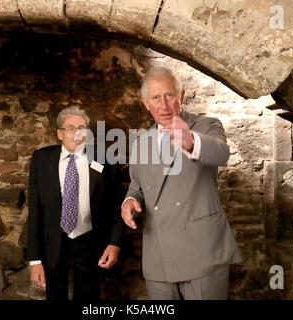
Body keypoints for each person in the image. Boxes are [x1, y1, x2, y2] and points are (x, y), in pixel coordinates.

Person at [121, 67, 242, 300]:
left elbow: (221, 153)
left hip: (202, 252)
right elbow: (137, 186)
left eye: (169, 96)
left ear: (182, 96)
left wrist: (191, 142)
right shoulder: (141, 142)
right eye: (156, 98)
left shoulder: (206, 126)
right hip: (158, 256)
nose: (164, 105)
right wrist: (130, 200)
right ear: (146, 103)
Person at [27, 106, 124, 300]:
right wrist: (35, 260)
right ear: (59, 134)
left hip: (90, 240)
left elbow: (117, 206)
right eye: (71, 128)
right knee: (55, 295)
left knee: (88, 297)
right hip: (53, 240)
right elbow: (35, 211)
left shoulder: (105, 159)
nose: (77, 133)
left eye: (82, 128)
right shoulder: (41, 159)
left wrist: (115, 243)